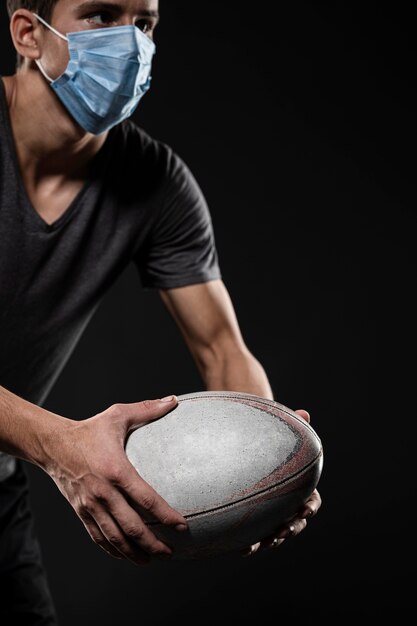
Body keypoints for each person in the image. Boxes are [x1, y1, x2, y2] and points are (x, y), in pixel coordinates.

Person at [0, 1, 322, 623]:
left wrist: (273, 456)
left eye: (143, 23)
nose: (128, 43)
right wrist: (60, 446)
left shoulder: (157, 183)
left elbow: (222, 350)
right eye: (98, 16)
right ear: (27, 34)